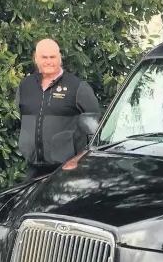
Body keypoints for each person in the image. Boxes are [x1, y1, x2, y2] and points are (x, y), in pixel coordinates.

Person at [15, 38, 100, 179]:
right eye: (44, 57)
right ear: (35, 58)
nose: (48, 61)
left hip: (67, 169)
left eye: (52, 57)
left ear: (60, 58)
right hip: (33, 169)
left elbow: (96, 126)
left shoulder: (77, 86)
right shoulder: (25, 86)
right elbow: (20, 117)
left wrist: (82, 157)